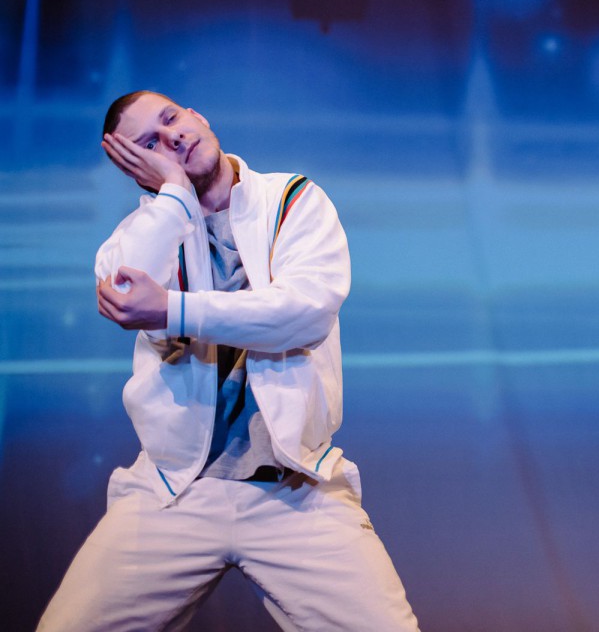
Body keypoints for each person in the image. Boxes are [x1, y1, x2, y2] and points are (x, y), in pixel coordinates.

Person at [39, 91, 421, 632]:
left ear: (197, 115)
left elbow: (305, 311)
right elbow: (124, 296)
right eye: (150, 143)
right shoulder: (138, 236)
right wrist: (173, 196)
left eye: (171, 118)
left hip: (293, 487)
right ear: (136, 168)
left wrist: (171, 308)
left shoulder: (292, 199)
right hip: (174, 488)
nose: (172, 137)